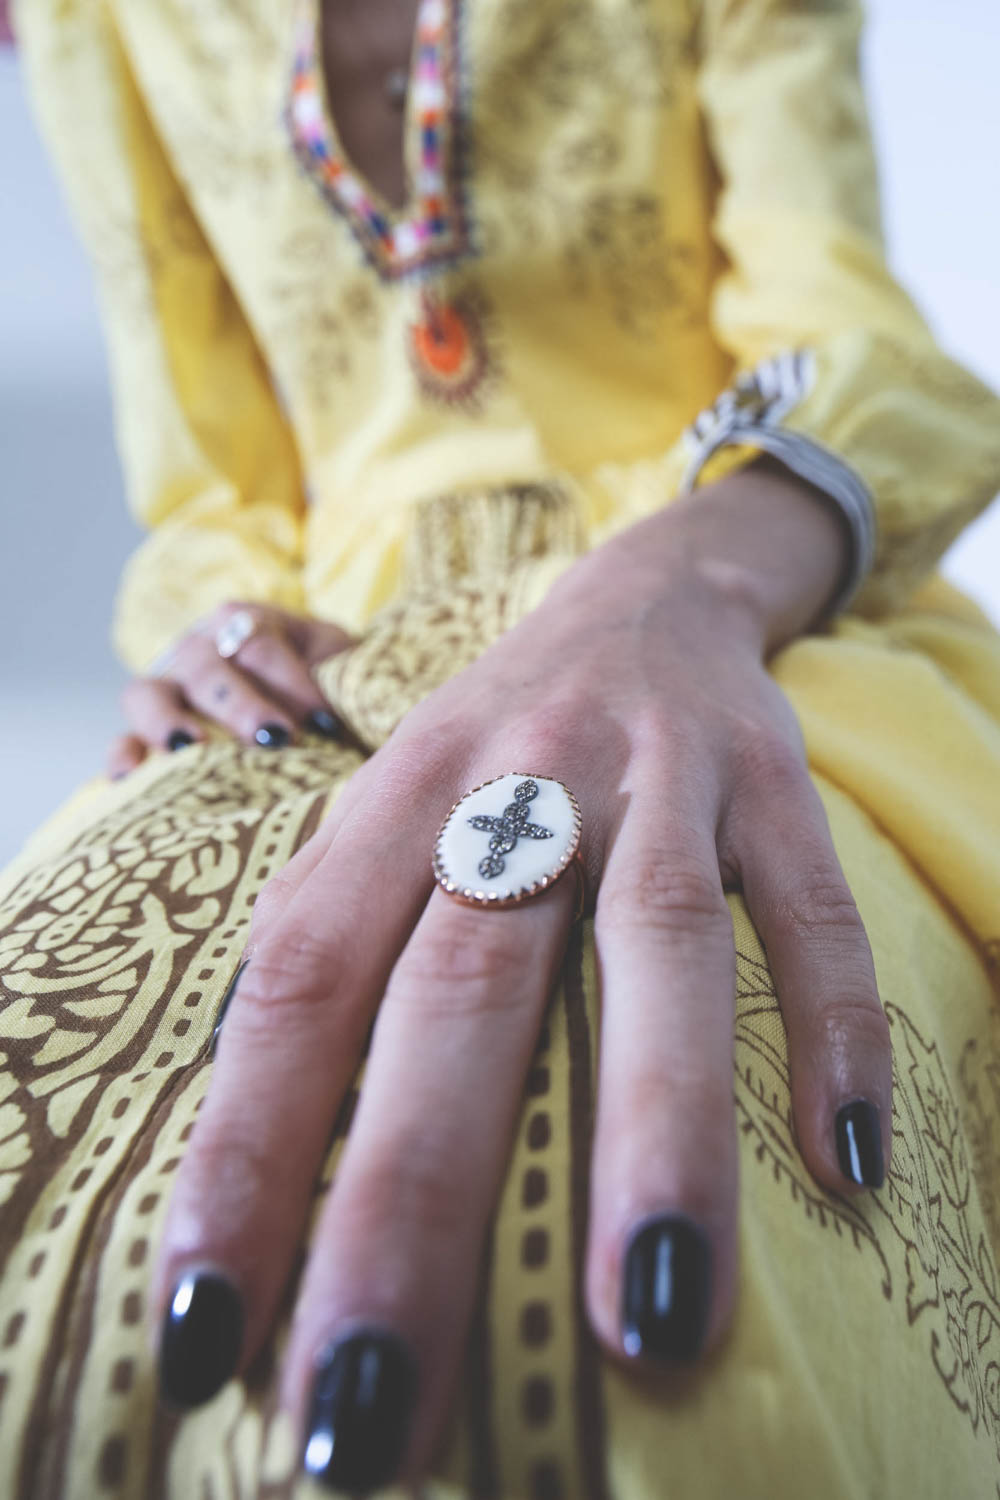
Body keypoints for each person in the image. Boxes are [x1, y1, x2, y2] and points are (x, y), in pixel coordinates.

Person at [3, 0, 1000, 1495]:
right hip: (316, 666)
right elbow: (207, 476)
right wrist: (213, 618)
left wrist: (686, 585)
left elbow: (860, 345)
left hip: (736, 605)